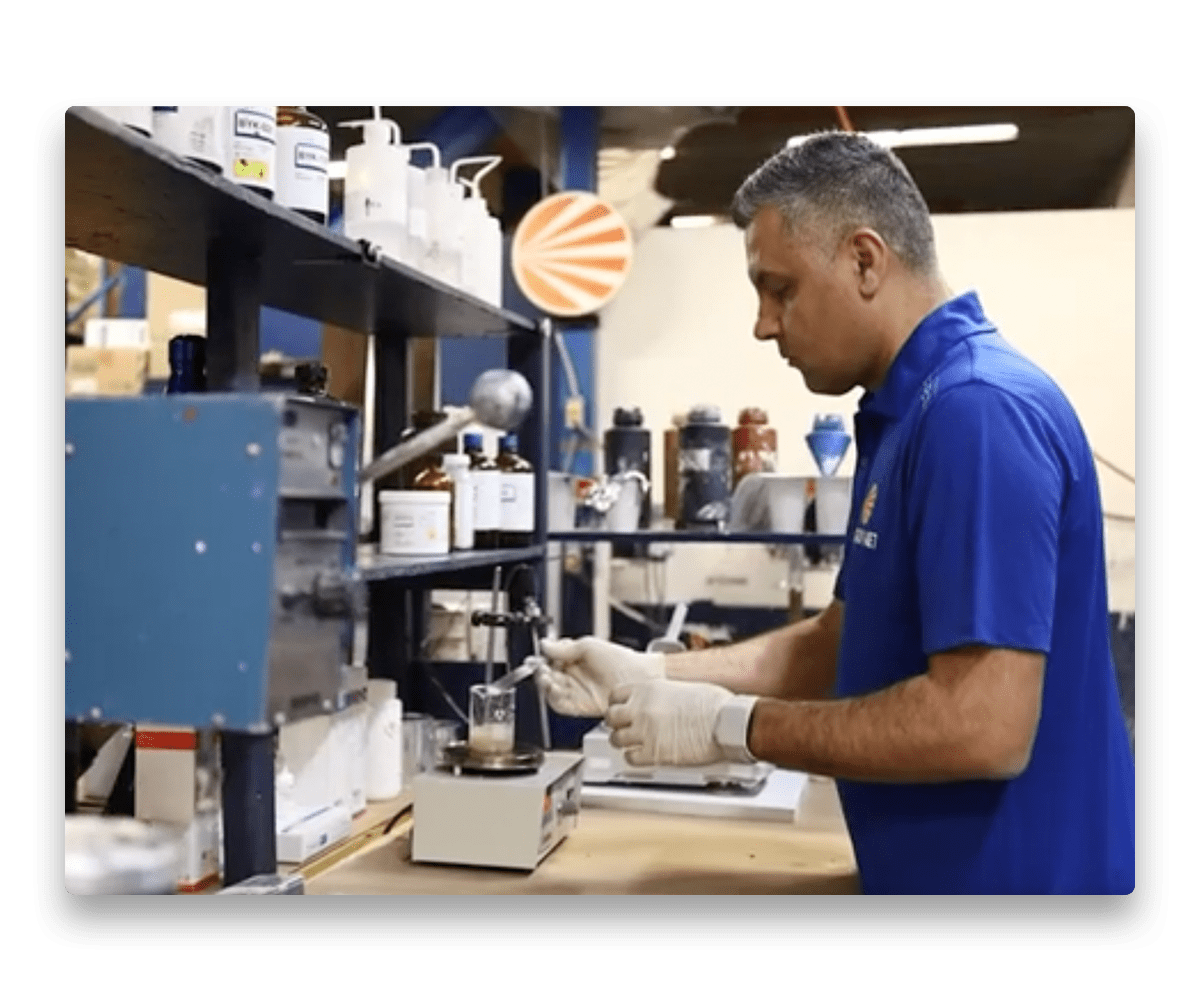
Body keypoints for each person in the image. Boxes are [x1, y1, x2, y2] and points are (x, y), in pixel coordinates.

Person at [537, 130, 1135, 895]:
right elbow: (839, 642)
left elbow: (982, 727)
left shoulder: (975, 413)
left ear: (864, 259)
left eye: (779, 287)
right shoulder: (908, 411)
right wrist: (655, 673)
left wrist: (735, 727)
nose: (763, 323)